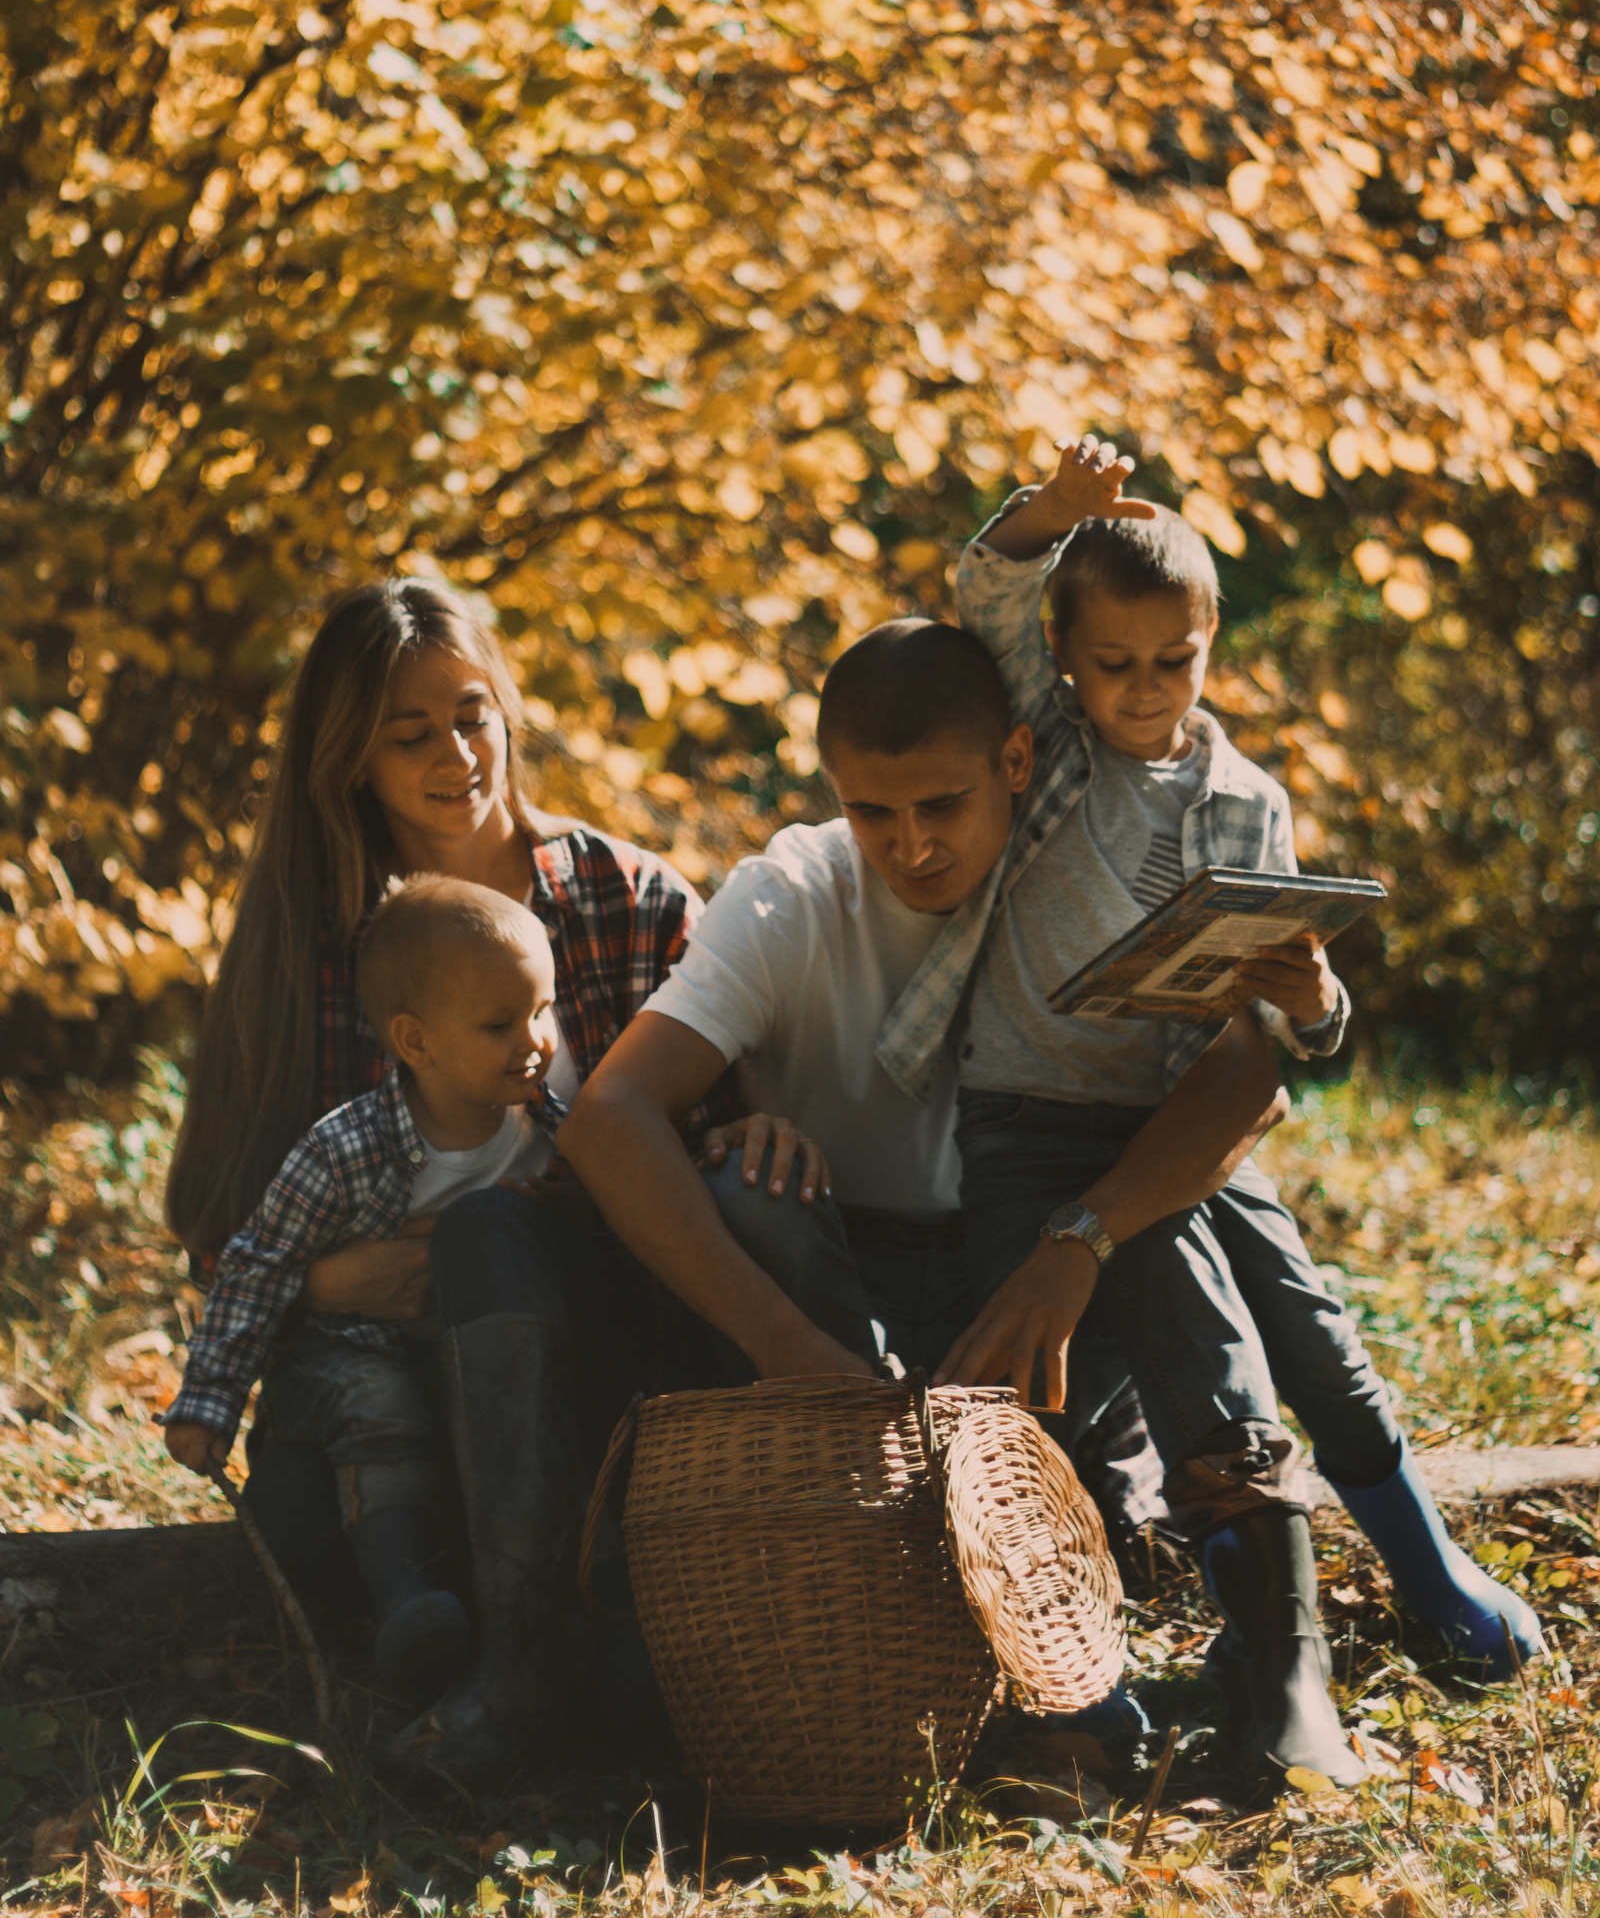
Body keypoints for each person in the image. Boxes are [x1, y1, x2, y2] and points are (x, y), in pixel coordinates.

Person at [922, 436, 1540, 1789]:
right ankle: (1261, 1649)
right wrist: (1061, 512)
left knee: (1306, 1320)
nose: (1144, 690)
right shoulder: (1050, 755)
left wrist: (1313, 1000)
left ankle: (1429, 1577)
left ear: (1211, 646)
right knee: (1167, 1300)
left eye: (1175, 660)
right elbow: (992, 587)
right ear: (1071, 664)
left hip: (1189, 1126)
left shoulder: (1244, 800)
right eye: (1114, 664)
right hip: (1036, 1124)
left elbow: (1282, 1036)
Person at [558, 624, 1293, 1555]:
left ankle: (1253, 1583)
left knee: (1196, 1204)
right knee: (749, 1191)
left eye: (944, 806)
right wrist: (789, 1352)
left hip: (1033, 1268)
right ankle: (907, 1504)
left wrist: (1078, 1244)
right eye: (873, 813)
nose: (911, 848)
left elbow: (1247, 1077)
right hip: (844, 1274)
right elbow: (607, 1119)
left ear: (1017, 759)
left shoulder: (1089, 873)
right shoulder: (792, 893)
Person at [164, 578, 717, 1778]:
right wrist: (324, 1285)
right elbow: (227, 1226)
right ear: (351, 758)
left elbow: (716, 1149)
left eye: (472, 715)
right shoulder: (313, 941)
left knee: (486, 1265)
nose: (455, 754)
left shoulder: (628, 902)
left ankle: (548, 1651)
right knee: (305, 1514)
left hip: (593, 1335)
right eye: (410, 734)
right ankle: (508, 1637)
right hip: (384, 1369)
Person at [165, 877, 562, 1709]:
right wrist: (209, 1403)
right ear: (414, 1042)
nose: (536, 1041)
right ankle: (404, 1601)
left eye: (544, 1010)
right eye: (501, 1024)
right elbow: (257, 1266)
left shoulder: (554, 1135)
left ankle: (513, 1620)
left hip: (454, 1355)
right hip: (338, 1351)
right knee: (377, 1403)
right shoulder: (344, 1148)